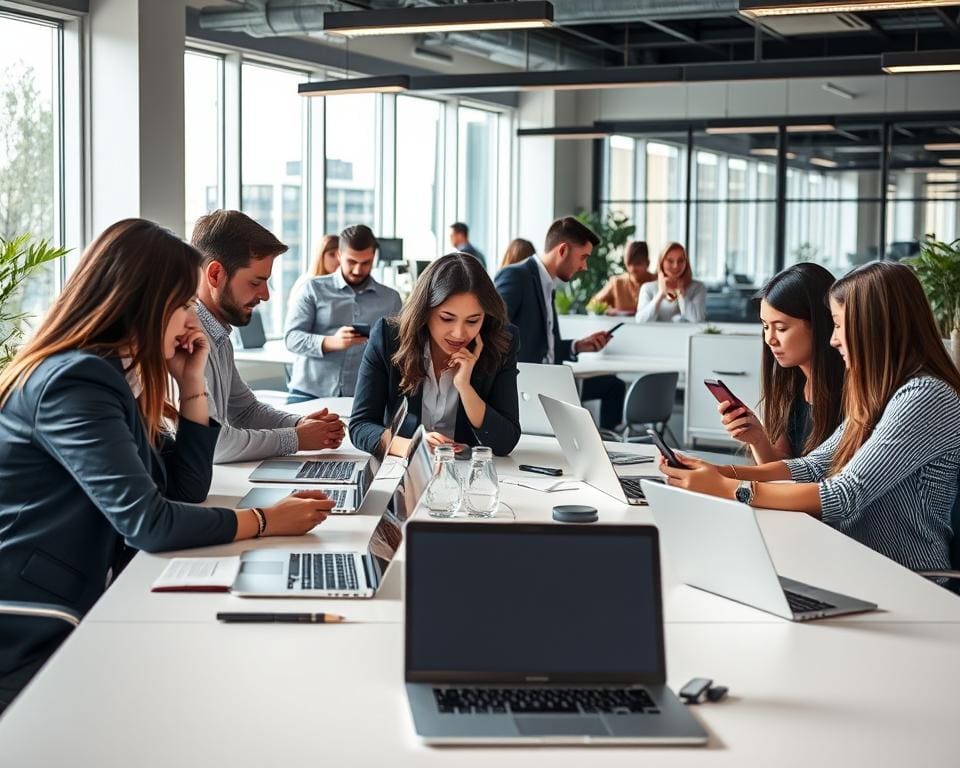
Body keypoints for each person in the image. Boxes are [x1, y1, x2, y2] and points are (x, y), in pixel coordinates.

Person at [0, 219, 334, 711]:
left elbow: (186, 489)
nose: (190, 322)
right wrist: (263, 520)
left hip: (89, 593)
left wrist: (192, 383)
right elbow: (148, 522)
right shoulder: (77, 382)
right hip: (33, 619)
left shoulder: (118, 373)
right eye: (181, 306)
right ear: (143, 303)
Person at [660, 261, 960, 572]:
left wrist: (726, 488)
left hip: (905, 580)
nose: (833, 339)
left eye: (840, 325)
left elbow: (845, 493)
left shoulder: (925, 396)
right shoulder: (879, 391)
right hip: (849, 563)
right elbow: (813, 466)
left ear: (875, 326)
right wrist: (719, 471)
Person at [191, 210, 345, 464]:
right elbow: (215, 444)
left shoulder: (218, 337)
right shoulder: (185, 340)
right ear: (215, 274)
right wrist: (296, 438)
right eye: (255, 282)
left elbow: (246, 411)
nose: (265, 295)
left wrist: (302, 424)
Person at [350, 252, 520, 458]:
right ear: (425, 311)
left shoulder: (501, 342)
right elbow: (360, 426)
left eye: (473, 320)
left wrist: (465, 387)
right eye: (447, 318)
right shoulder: (389, 337)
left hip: (468, 471)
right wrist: (413, 446)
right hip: (405, 469)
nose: (459, 333)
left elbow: (505, 442)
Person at [494, 216, 625, 431]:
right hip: (525, 390)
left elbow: (543, 346)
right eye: (583, 257)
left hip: (549, 384)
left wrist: (578, 346)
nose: (584, 266)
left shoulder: (546, 285)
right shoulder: (517, 276)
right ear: (563, 250)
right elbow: (493, 331)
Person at [718, 263, 844, 464]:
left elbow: (819, 480)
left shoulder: (852, 395)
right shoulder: (789, 385)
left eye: (781, 328)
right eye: (766, 326)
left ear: (820, 325)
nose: (769, 339)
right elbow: (781, 468)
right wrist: (758, 440)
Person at [285, 224, 403, 399]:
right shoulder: (312, 289)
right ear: (339, 255)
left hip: (363, 397)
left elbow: (399, 348)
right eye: (351, 262)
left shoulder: (391, 299)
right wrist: (331, 342)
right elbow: (291, 338)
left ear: (373, 257)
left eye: (366, 263)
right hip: (309, 393)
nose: (357, 270)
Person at [636, 242, 706, 323]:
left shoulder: (698, 288)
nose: (675, 266)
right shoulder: (648, 288)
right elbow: (641, 321)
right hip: (655, 335)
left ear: (686, 263)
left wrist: (681, 293)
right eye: (670, 261)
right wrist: (661, 293)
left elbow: (697, 320)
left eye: (680, 261)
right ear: (661, 262)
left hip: (685, 334)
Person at [591, 240, 656, 315]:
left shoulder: (657, 283)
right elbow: (593, 304)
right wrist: (608, 310)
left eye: (638, 263)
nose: (633, 268)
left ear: (647, 263)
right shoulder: (617, 283)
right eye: (629, 264)